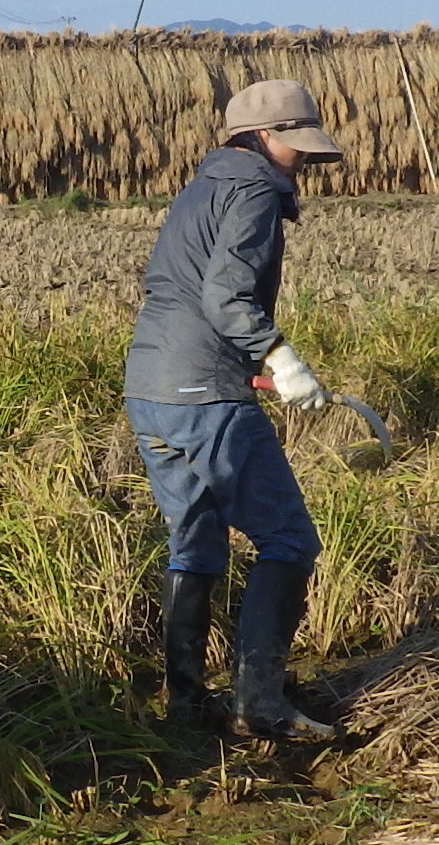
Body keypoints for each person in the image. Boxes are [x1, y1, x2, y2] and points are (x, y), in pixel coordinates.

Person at [125, 78, 348, 740]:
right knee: (289, 541)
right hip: (206, 394)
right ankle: (262, 704)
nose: (304, 158)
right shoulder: (254, 189)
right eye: (296, 143)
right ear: (262, 137)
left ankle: (187, 706)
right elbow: (226, 297)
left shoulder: (202, 187)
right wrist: (282, 359)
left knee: (194, 543)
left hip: (151, 388)